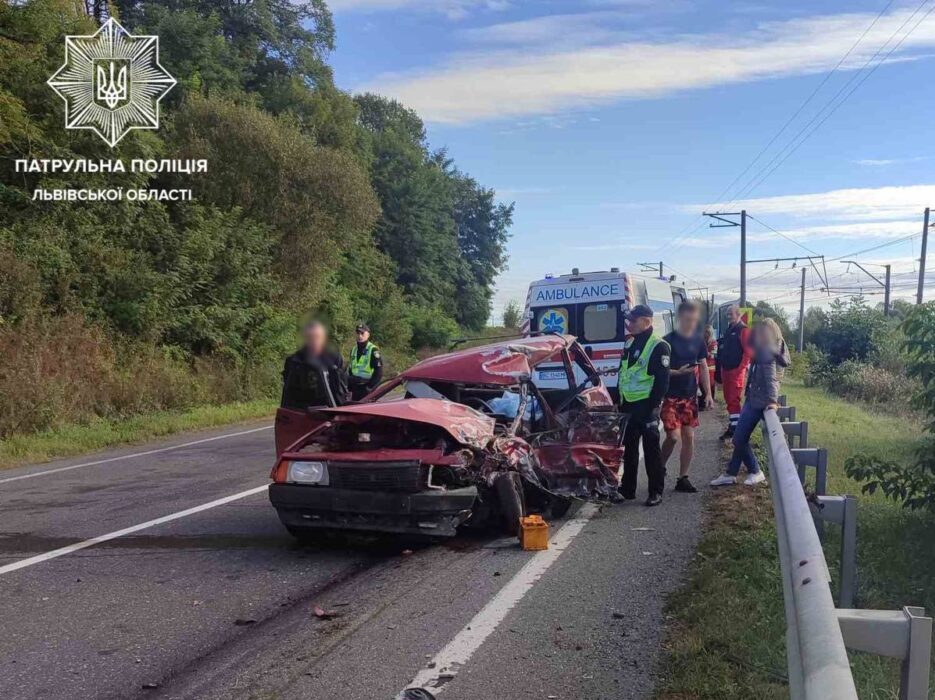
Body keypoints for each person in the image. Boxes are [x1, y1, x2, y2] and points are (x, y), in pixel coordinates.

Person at [711, 318, 791, 487]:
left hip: (758, 401)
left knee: (739, 438)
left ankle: (755, 471)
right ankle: (731, 473)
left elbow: (771, 380)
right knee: (740, 438)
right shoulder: (769, 349)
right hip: (754, 397)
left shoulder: (767, 351)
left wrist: (772, 401)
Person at [617, 305, 671, 507]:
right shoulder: (629, 343)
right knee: (629, 450)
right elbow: (623, 373)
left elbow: (662, 381)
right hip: (628, 405)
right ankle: (628, 488)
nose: (629, 323)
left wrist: (654, 406)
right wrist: (618, 399)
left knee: (651, 451)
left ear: (647, 321)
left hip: (647, 405)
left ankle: (655, 491)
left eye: (633, 320)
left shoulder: (659, 346)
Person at [660, 302, 714, 494]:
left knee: (689, 436)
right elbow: (660, 371)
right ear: (679, 319)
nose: (692, 323)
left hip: (689, 395)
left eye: (694, 320)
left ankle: (683, 478)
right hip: (670, 396)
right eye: (688, 320)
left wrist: (707, 393)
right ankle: (659, 467)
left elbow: (703, 366)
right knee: (673, 437)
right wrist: (677, 372)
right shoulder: (666, 341)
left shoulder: (698, 341)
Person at [280, 320, 349, 409]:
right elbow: (287, 392)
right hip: (300, 411)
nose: (314, 340)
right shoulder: (294, 361)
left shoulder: (333, 358)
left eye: (317, 337)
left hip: (328, 411)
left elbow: (340, 389)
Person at [716, 305, 752, 440]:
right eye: (727, 314)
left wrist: (740, 369)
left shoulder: (743, 330)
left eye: (731, 314)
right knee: (729, 399)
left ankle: (736, 430)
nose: (728, 316)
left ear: (738, 314)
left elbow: (748, 353)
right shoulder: (730, 330)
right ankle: (733, 426)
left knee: (733, 400)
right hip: (727, 370)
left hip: (736, 372)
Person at [348, 323, 383, 400]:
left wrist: (370, 387)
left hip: (366, 387)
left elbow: (379, 372)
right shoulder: (353, 350)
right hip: (355, 387)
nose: (360, 336)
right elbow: (351, 369)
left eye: (362, 333)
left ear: (368, 335)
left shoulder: (373, 350)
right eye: (358, 333)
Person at [702, 324, 717, 408]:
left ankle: (711, 400)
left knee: (711, 383)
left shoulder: (713, 342)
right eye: (705, 332)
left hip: (711, 366)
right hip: (703, 365)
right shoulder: (702, 341)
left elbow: (713, 354)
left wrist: (704, 354)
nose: (706, 334)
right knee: (702, 383)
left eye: (707, 332)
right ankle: (703, 402)